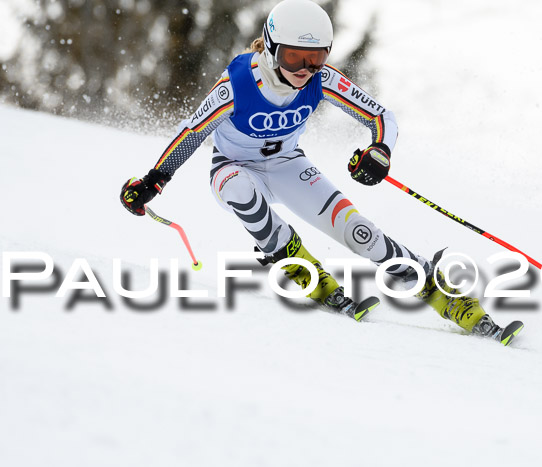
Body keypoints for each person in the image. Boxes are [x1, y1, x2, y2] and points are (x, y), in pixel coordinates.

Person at [120, 0, 507, 340]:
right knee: (239, 189)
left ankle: (436, 290)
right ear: (272, 49)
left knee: (361, 233)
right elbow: (191, 132)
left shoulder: (321, 80)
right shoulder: (237, 84)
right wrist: (154, 181)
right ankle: (295, 262)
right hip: (234, 167)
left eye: (316, 57)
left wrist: (380, 151)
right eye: (293, 57)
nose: (306, 69)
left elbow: (381, 116)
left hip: (288, 164)